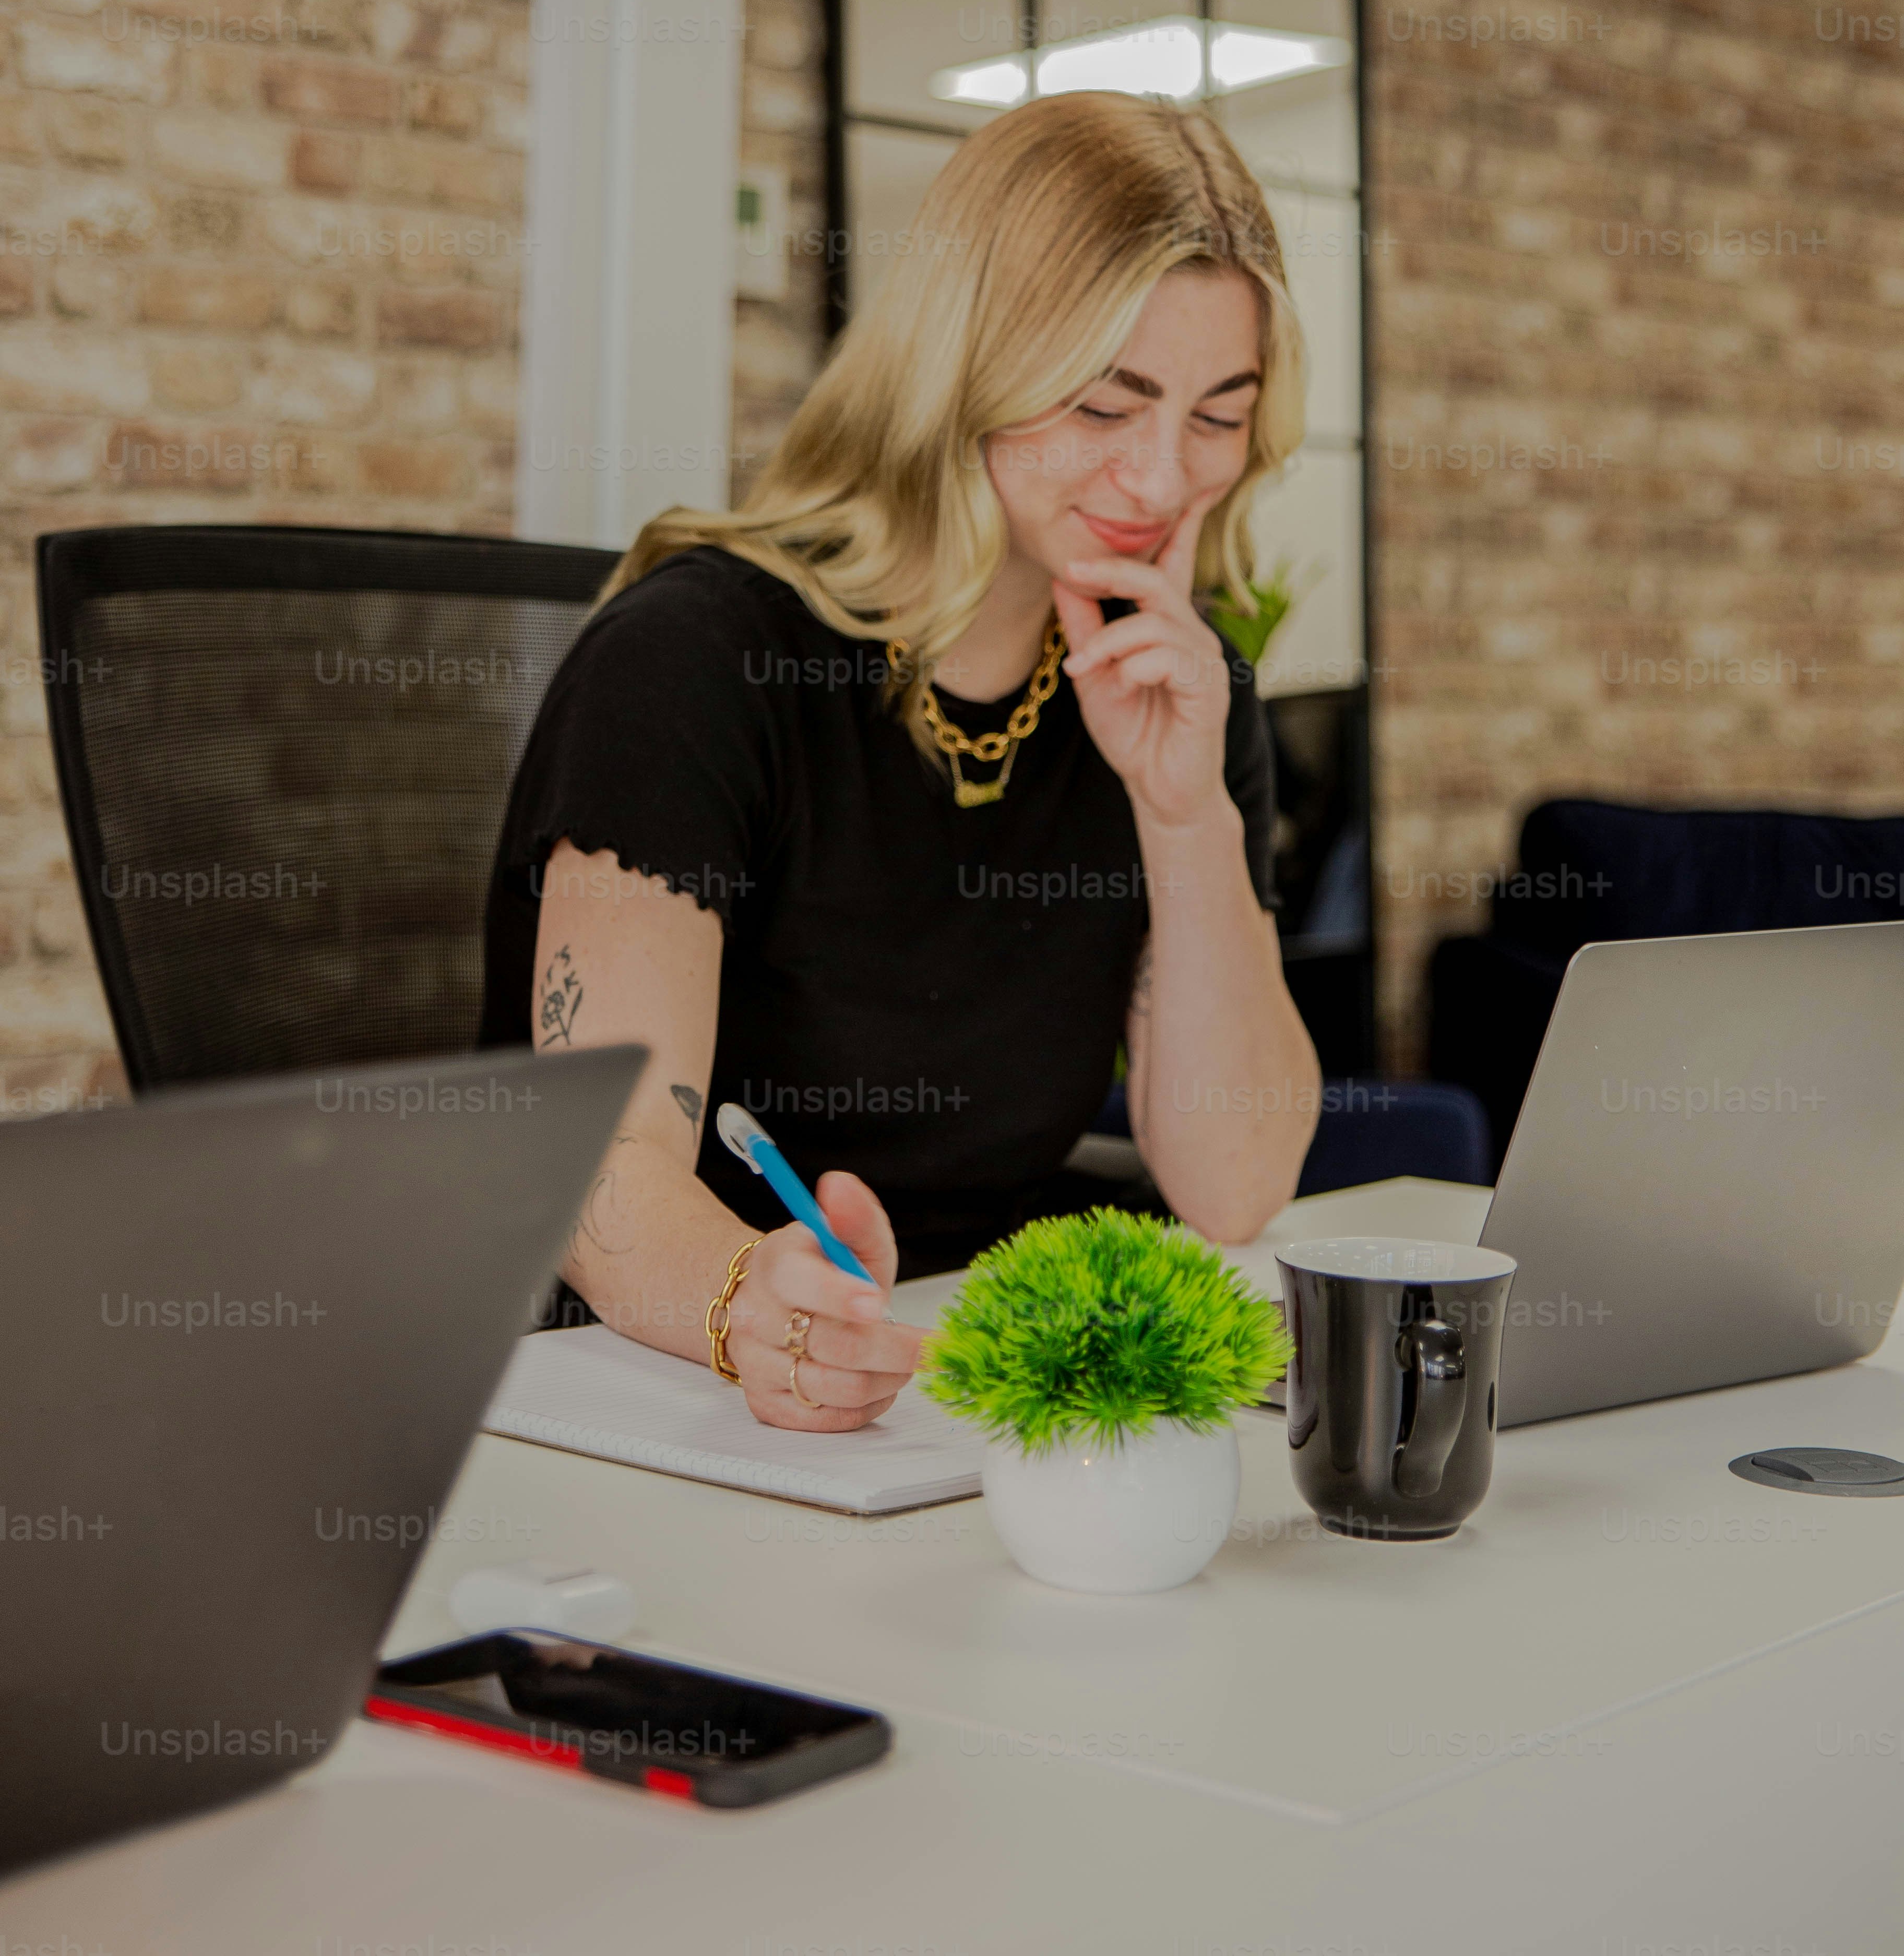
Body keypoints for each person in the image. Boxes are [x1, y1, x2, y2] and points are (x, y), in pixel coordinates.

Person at [482, 90, 1322, 1430]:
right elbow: (601, 1165)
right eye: (1107, 404)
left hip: (958, 1385)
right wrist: (750, 1306)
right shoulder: (694, 662)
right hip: (664, 1386)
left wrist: (1185, 813)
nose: (1164, 481)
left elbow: (1233, 1186)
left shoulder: (1174, 681)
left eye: (1220, 417)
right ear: (967, 369)